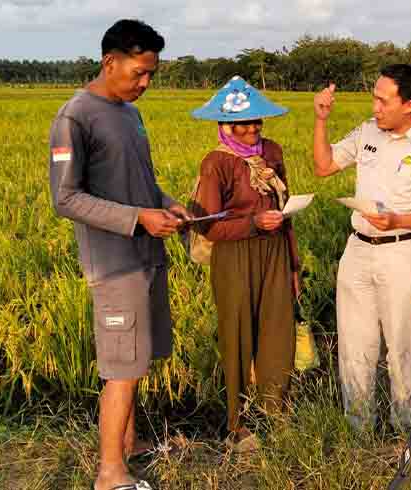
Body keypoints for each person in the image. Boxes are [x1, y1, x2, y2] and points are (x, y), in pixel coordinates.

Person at [49, 19, 189, 490]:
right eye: (138, 72)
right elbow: (65, 199)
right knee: (121, 369)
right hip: (114, 264)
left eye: (152, 74)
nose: (145, 83)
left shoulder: (130, 113)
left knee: (137, 358)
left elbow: (141, 183)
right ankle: (110, 474)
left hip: (147, 253)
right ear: (110, 62)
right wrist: (138, 217)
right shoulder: (76, 117)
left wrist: (166, 203)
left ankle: (130, 444)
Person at [312, 64, 411, 431]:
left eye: (383, 101)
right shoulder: (367, 132)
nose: (375, 108)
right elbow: (324, 166)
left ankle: (404, 427)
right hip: (358, 250)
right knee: (354, 345)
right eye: (374, 99)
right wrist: (321, 120)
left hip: (401, 253)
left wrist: (397, 221)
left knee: (401, 346)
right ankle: (358, 427)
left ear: (408, 105)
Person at [191, 76, 298, 447]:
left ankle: (275, 411)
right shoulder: (216, 163)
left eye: (257, 122)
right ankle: (237, 424)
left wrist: (294, 265)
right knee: (237, 334)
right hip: (234, 255)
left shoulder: (273, 153)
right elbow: (207, 225)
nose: (253, 129)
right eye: (244, 123)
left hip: (275, 251)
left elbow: (286, 211)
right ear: (226, 126)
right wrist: (253, 223)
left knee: (278, 331)